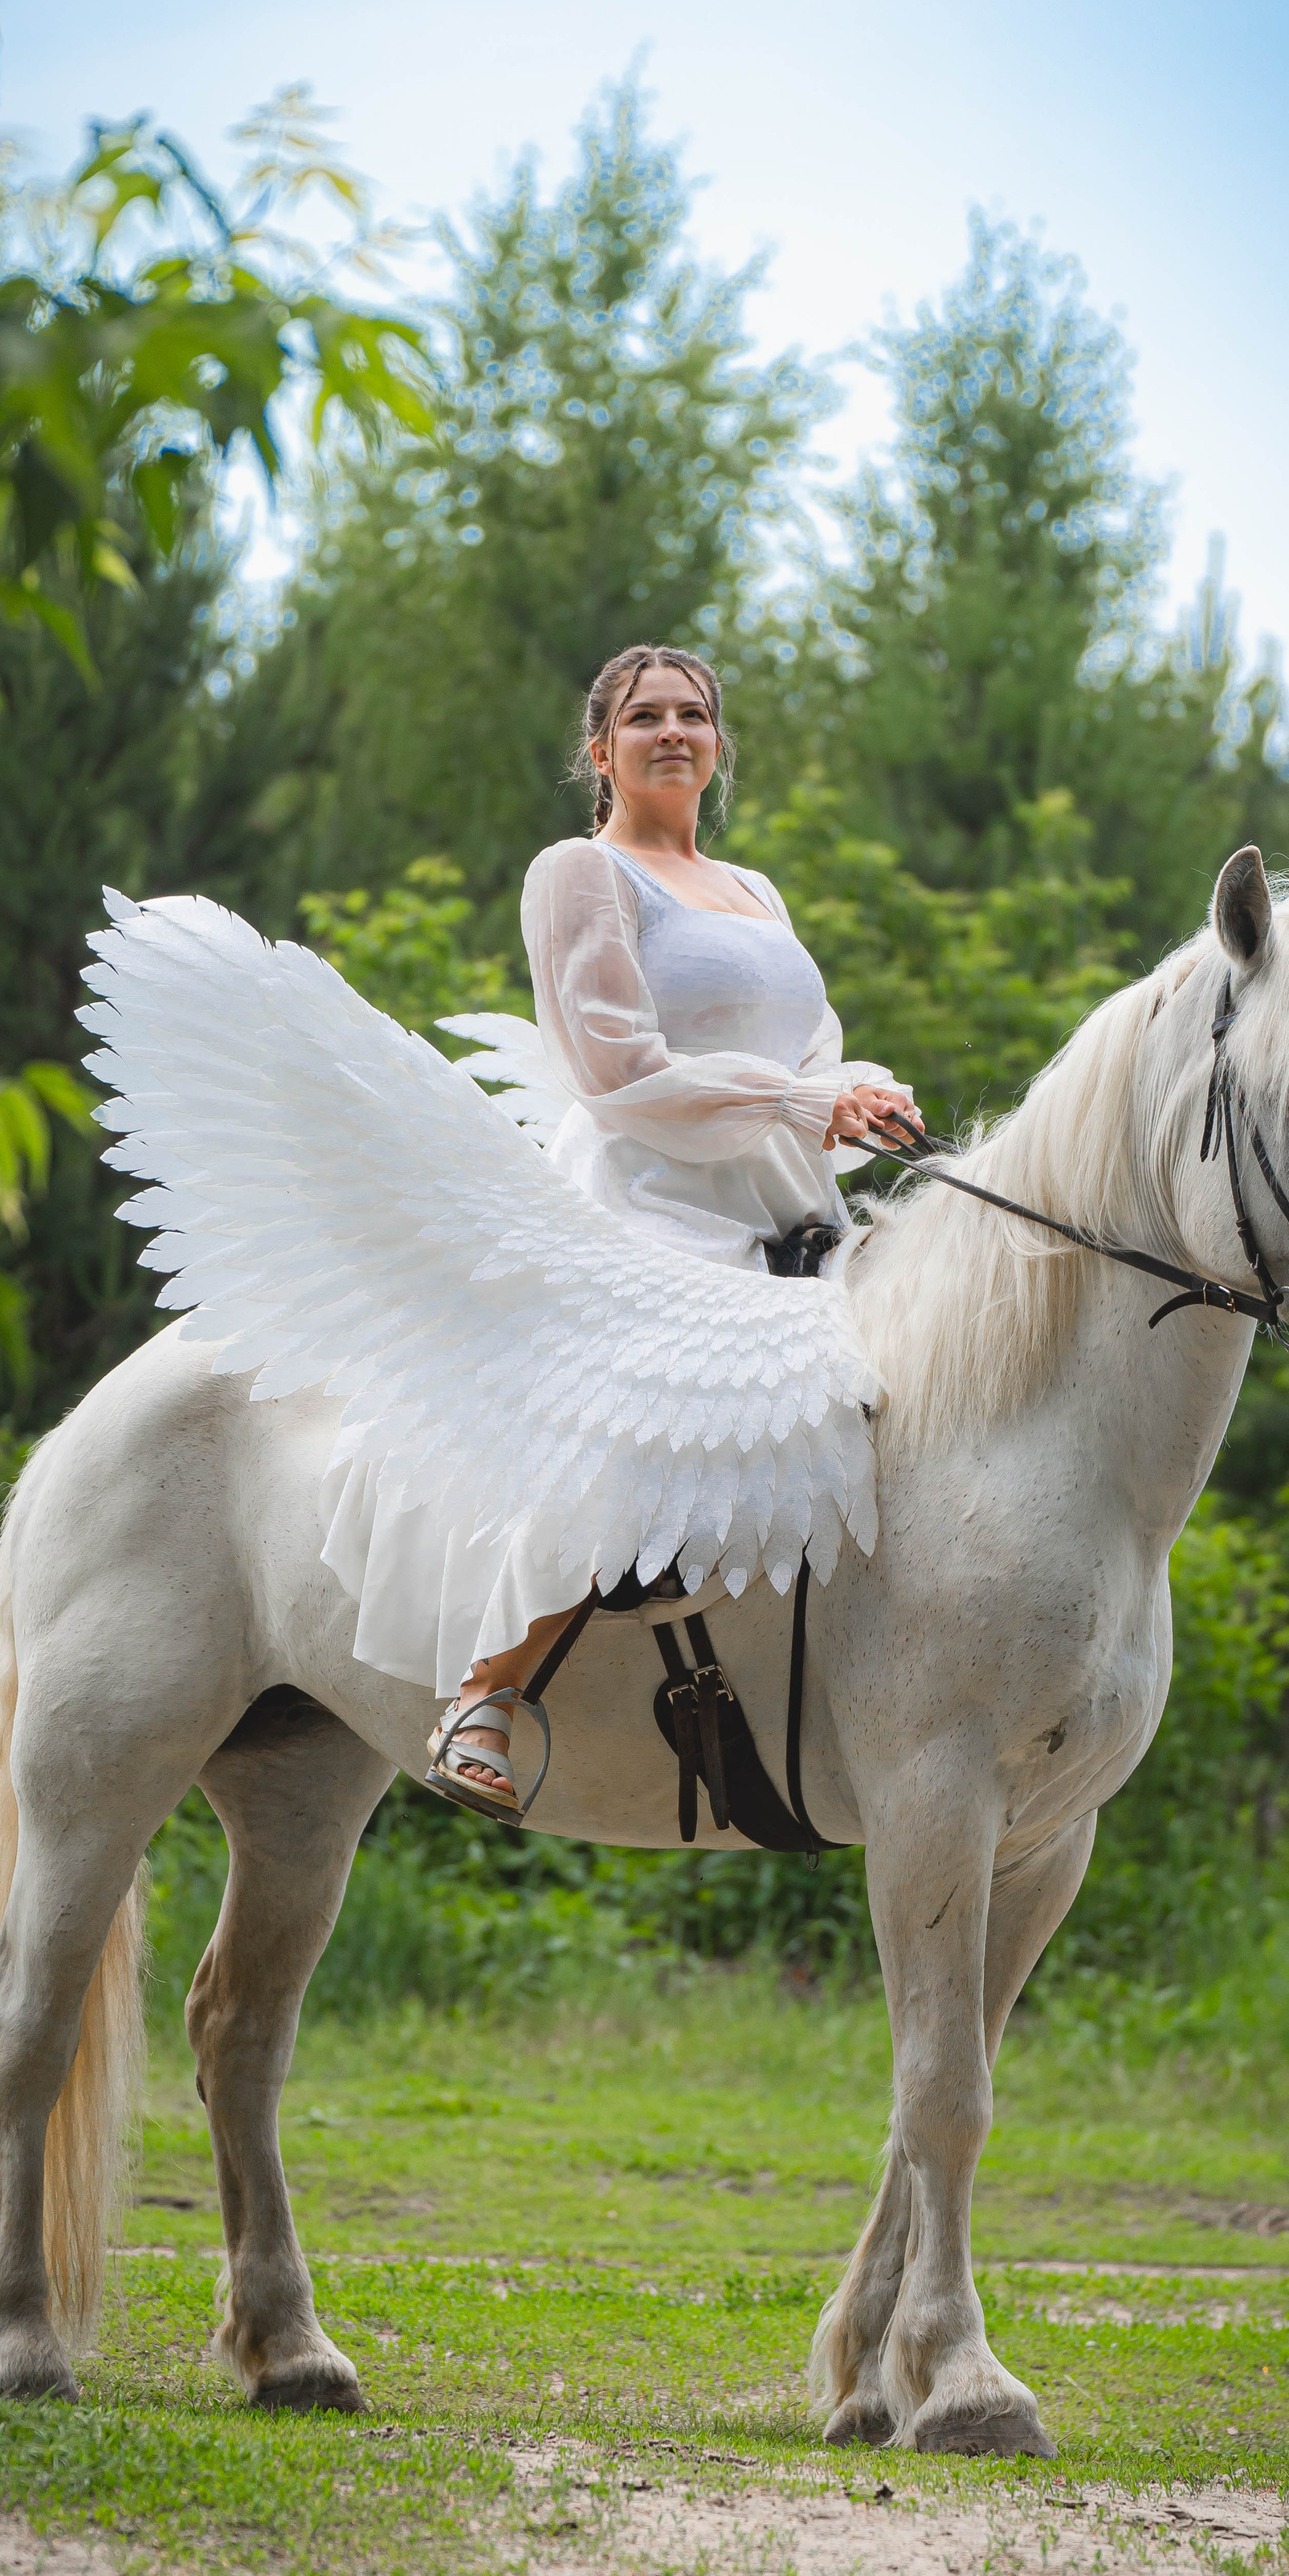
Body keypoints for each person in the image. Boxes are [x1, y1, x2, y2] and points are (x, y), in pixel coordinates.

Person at [425, 643, 921, 1816]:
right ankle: (489, 1688)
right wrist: (806, 1101)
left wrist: (858, 1095)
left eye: (693, 715)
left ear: (716, 745)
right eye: (643, 717)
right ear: (601, 752)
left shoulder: (756, 891)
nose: (672, 732)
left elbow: (813, 1045)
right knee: (646, 1419)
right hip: (648, 1197)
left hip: (783, 1199)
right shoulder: (580, 873)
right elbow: (618, 1070)